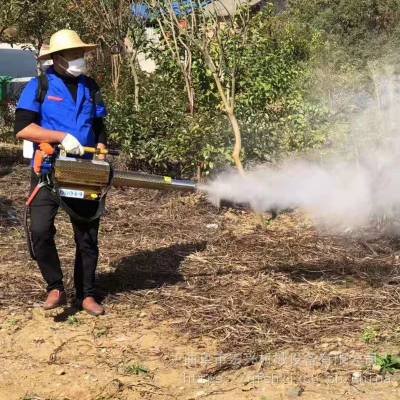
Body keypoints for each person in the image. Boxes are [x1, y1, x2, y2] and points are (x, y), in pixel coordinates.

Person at [15, 29, 108, 316]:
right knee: (40, 231)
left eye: (80, 54)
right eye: (72, 55)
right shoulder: (40, 85)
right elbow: (23, 128)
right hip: (48, 171)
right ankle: (55, 285)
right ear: (56, 59)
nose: (78, 59)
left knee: (87, 235)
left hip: (84, 171)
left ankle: (87, 294)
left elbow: (99, 124)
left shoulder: (91, 87)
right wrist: (59, 136)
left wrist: (101, 146)